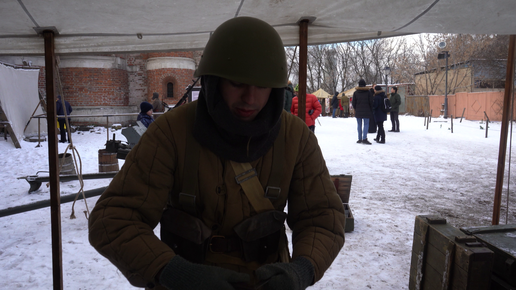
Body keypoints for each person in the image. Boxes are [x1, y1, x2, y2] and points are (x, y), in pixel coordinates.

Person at [89, 17, 345, 290]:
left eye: (261, 85)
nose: (250, 98)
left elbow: (322, 219)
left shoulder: (296, 138)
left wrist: (301, 270)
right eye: (237, 83)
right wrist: (175, 272)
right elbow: (113, 219)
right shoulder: (170, 133)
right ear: (214, 81)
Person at [351, 79, 373, 144]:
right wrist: (370, 109)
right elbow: (371, 102)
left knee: (359, 125)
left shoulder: (355, 93)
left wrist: (356, 108)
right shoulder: (368, 92)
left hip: (358, 111)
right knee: (366, 125)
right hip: (367, 111)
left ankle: (359, 138)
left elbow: (353, 103)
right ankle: (364, 138)